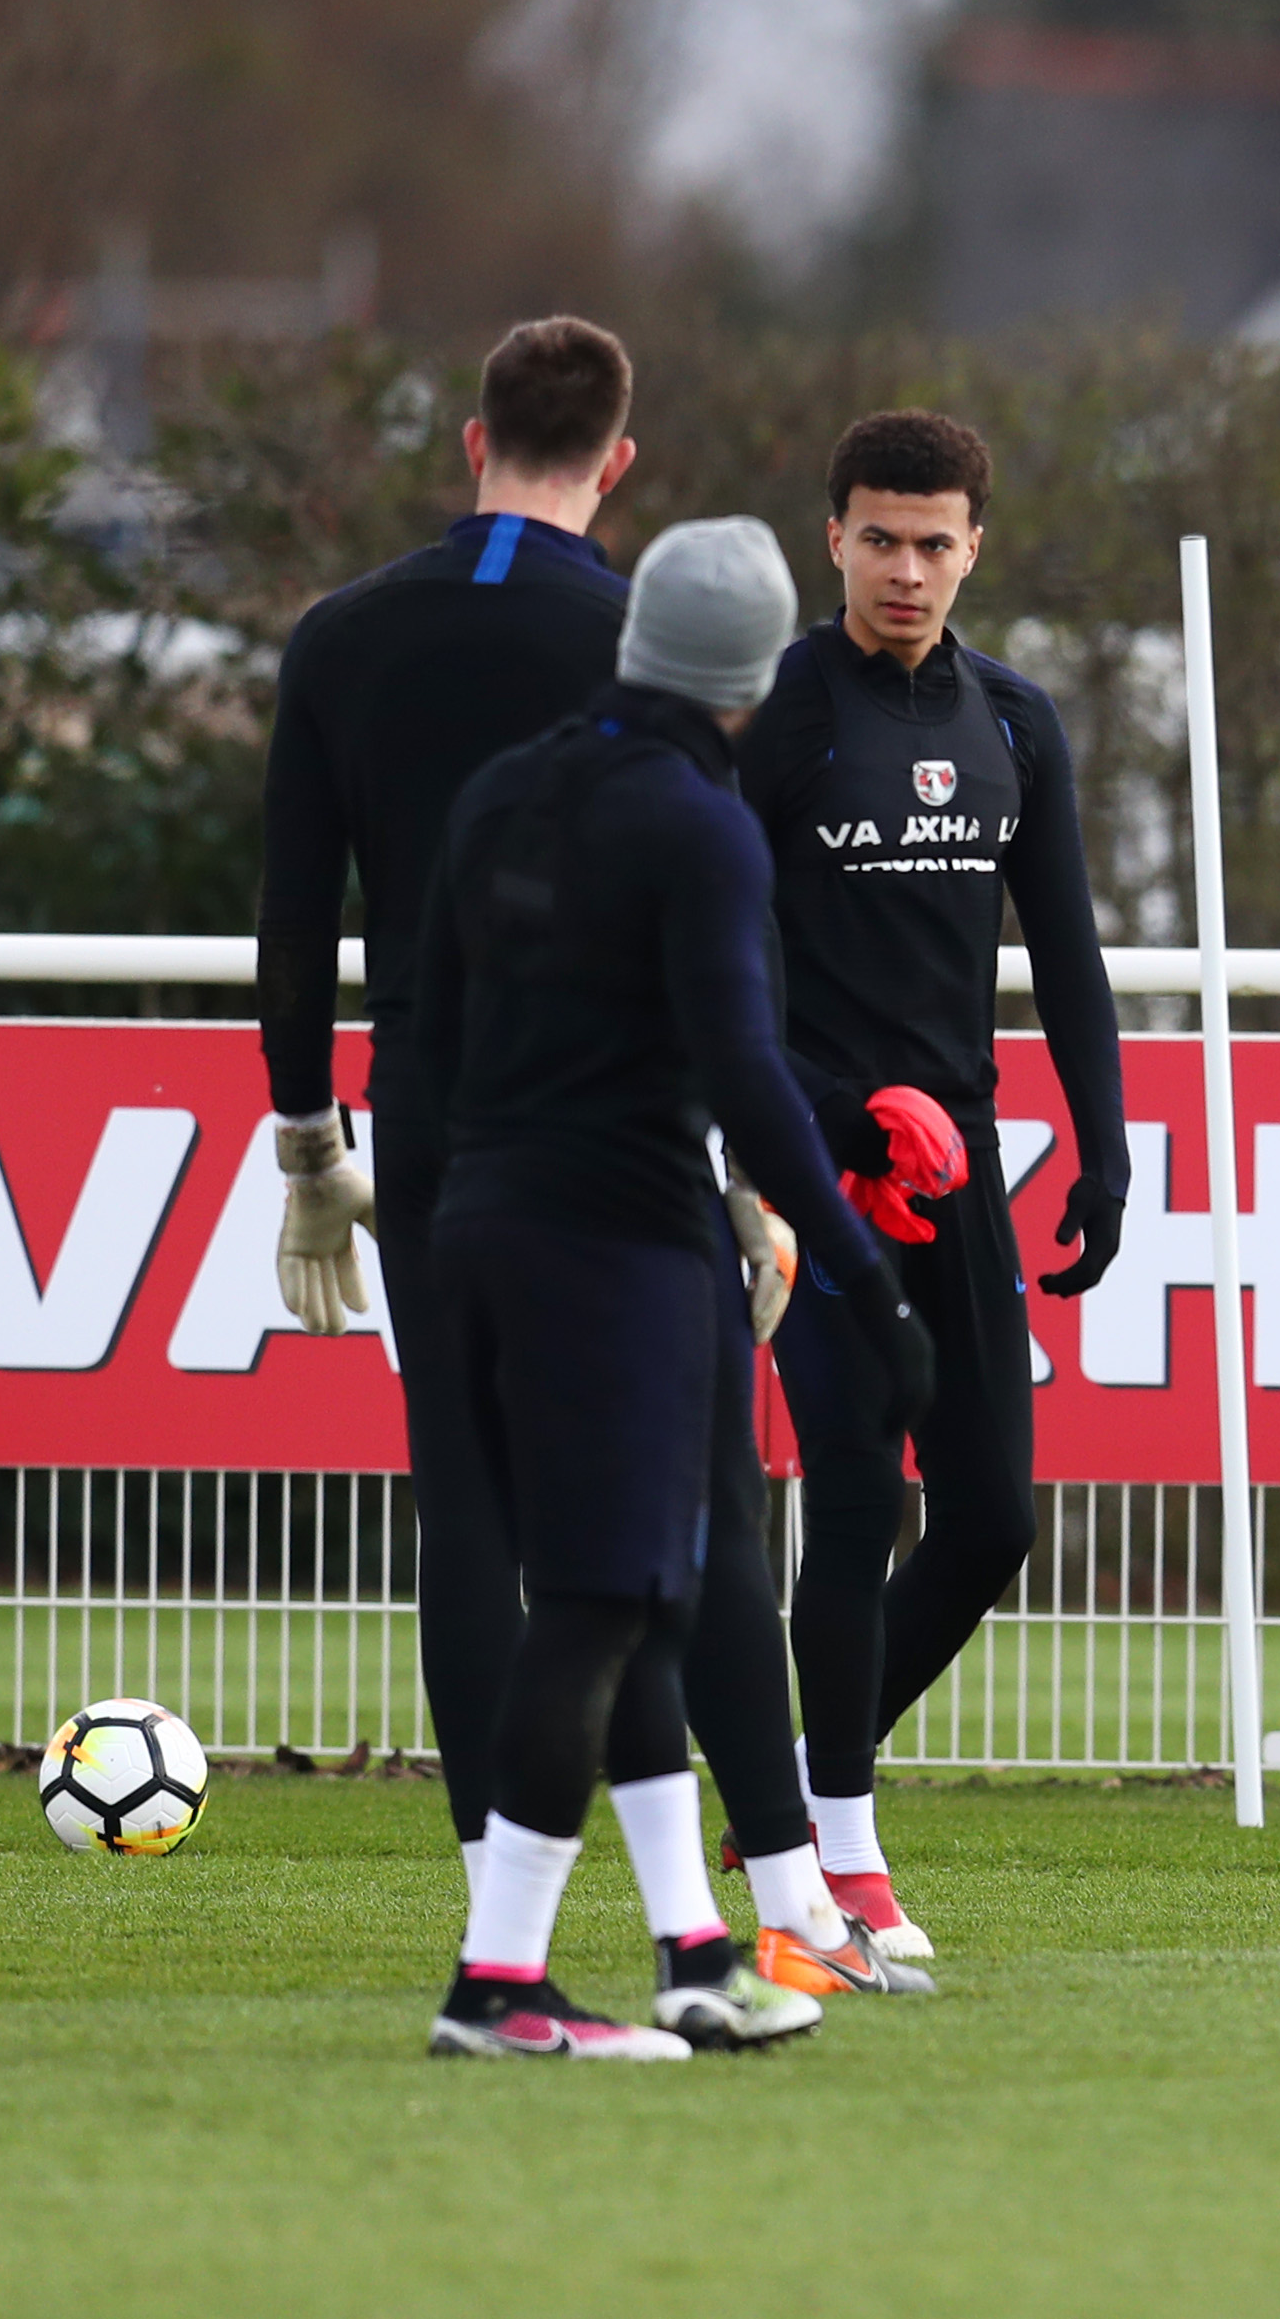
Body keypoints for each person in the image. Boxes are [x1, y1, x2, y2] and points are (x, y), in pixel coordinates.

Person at [255, 321, 914, 2035]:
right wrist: (784, 1200)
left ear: (471, 437)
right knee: (684, 1521)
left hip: (433, 1115)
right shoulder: (631, 653)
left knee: (473, 1518)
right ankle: (765, 1911)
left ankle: (526, 1912)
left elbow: (291, 917)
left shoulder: (342, 638)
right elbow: (729, 988)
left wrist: (309, 1138)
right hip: (622, 1137)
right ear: (616, 461)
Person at [417, 517, 937, 2059]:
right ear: (747, 676)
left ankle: (695, 1950)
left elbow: (433, 1036)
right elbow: (743, 1070)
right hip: (622, 1239)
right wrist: (861, 1275)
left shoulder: (502, 790)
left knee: (635, 1593)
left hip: (479, 1221)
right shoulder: (700, 824)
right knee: (598, 1602)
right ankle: (498, 1980)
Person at [742, 410, 1131, 1959]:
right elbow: (723, 966)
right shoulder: (773, 712)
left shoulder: (1017, 722)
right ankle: (842, 1853)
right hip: (810, 1169)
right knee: (854, 1495)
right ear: (830, 537)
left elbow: (1075, 955)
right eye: (880, 538)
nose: (908, 569)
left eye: (936, 541)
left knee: (989, 1522)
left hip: (958, 1169)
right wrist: (837, 1112)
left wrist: (1105, 1142)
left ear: (978, 546)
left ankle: (783, 1779)